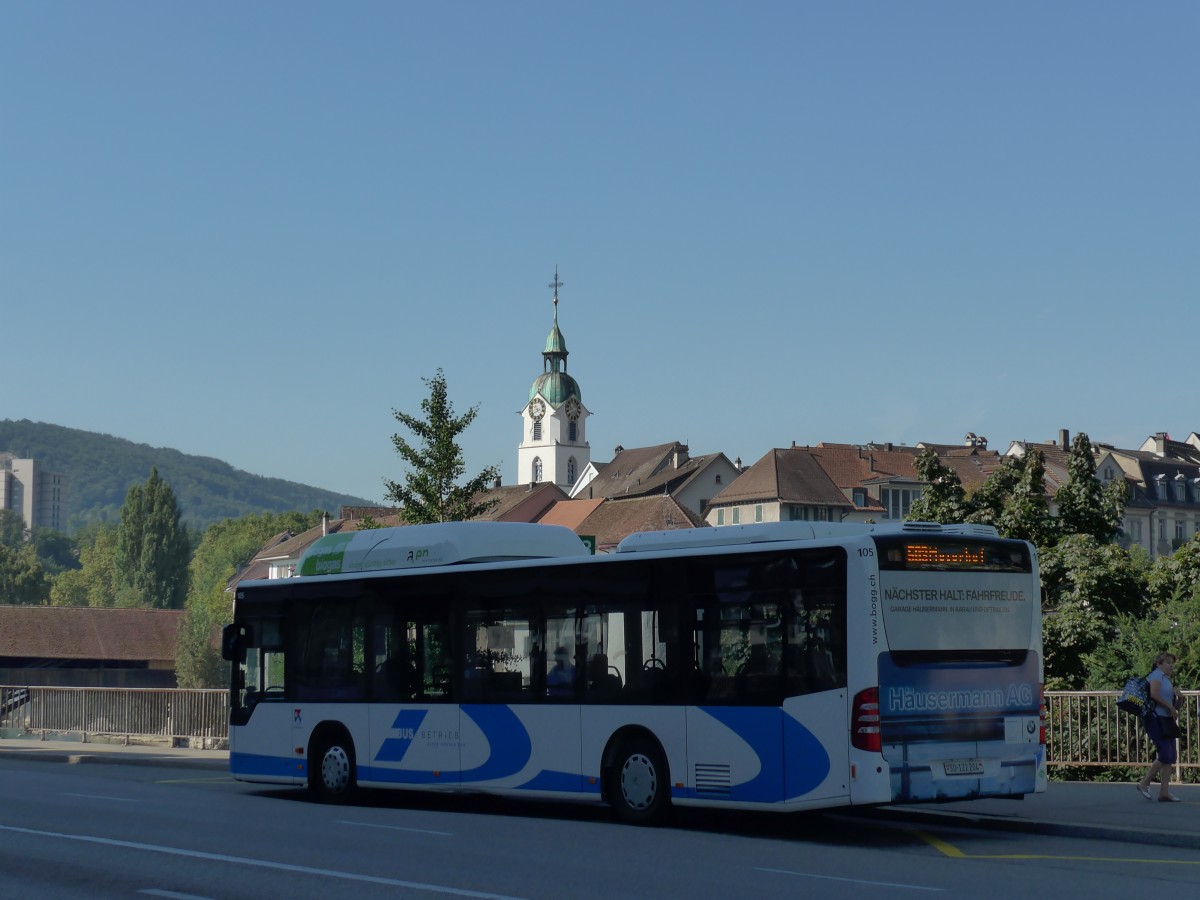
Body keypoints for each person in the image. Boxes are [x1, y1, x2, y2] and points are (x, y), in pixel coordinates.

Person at [1137, 651, 1182, 802]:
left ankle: (1164, 792)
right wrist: (1170, 707)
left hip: (1166, 719)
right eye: (1168, 662)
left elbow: (1175, 708)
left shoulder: (1167, 679)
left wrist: (1179, 698)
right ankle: (1144, 783)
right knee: (1165, 753)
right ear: (1159, 664)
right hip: (1155, 718)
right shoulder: (1156, 675)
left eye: (1172, 662)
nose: (1171, 665)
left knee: (1171, 756)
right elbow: (1154, 694)